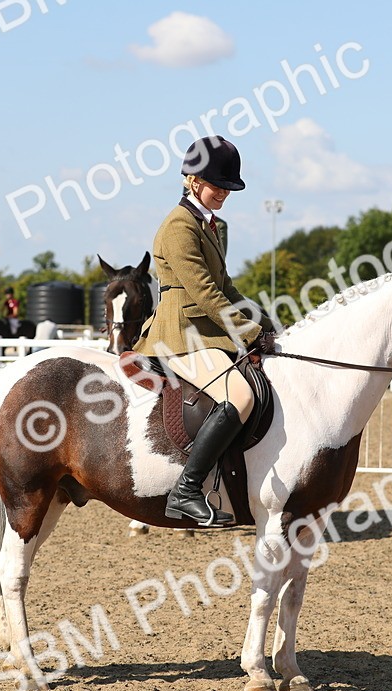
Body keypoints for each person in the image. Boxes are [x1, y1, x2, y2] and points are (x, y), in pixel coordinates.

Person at [132, 135, 269, 527]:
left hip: (207, 330)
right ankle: (186, 490)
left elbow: (226, 286)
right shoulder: (178, 226)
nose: (225, 193)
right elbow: (204, 292)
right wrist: (246, 331)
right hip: (180, 333)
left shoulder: (210, 225)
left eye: (229, 187)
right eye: (218, 186)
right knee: (239, 396)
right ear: (192, 180)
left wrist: (261, 320)